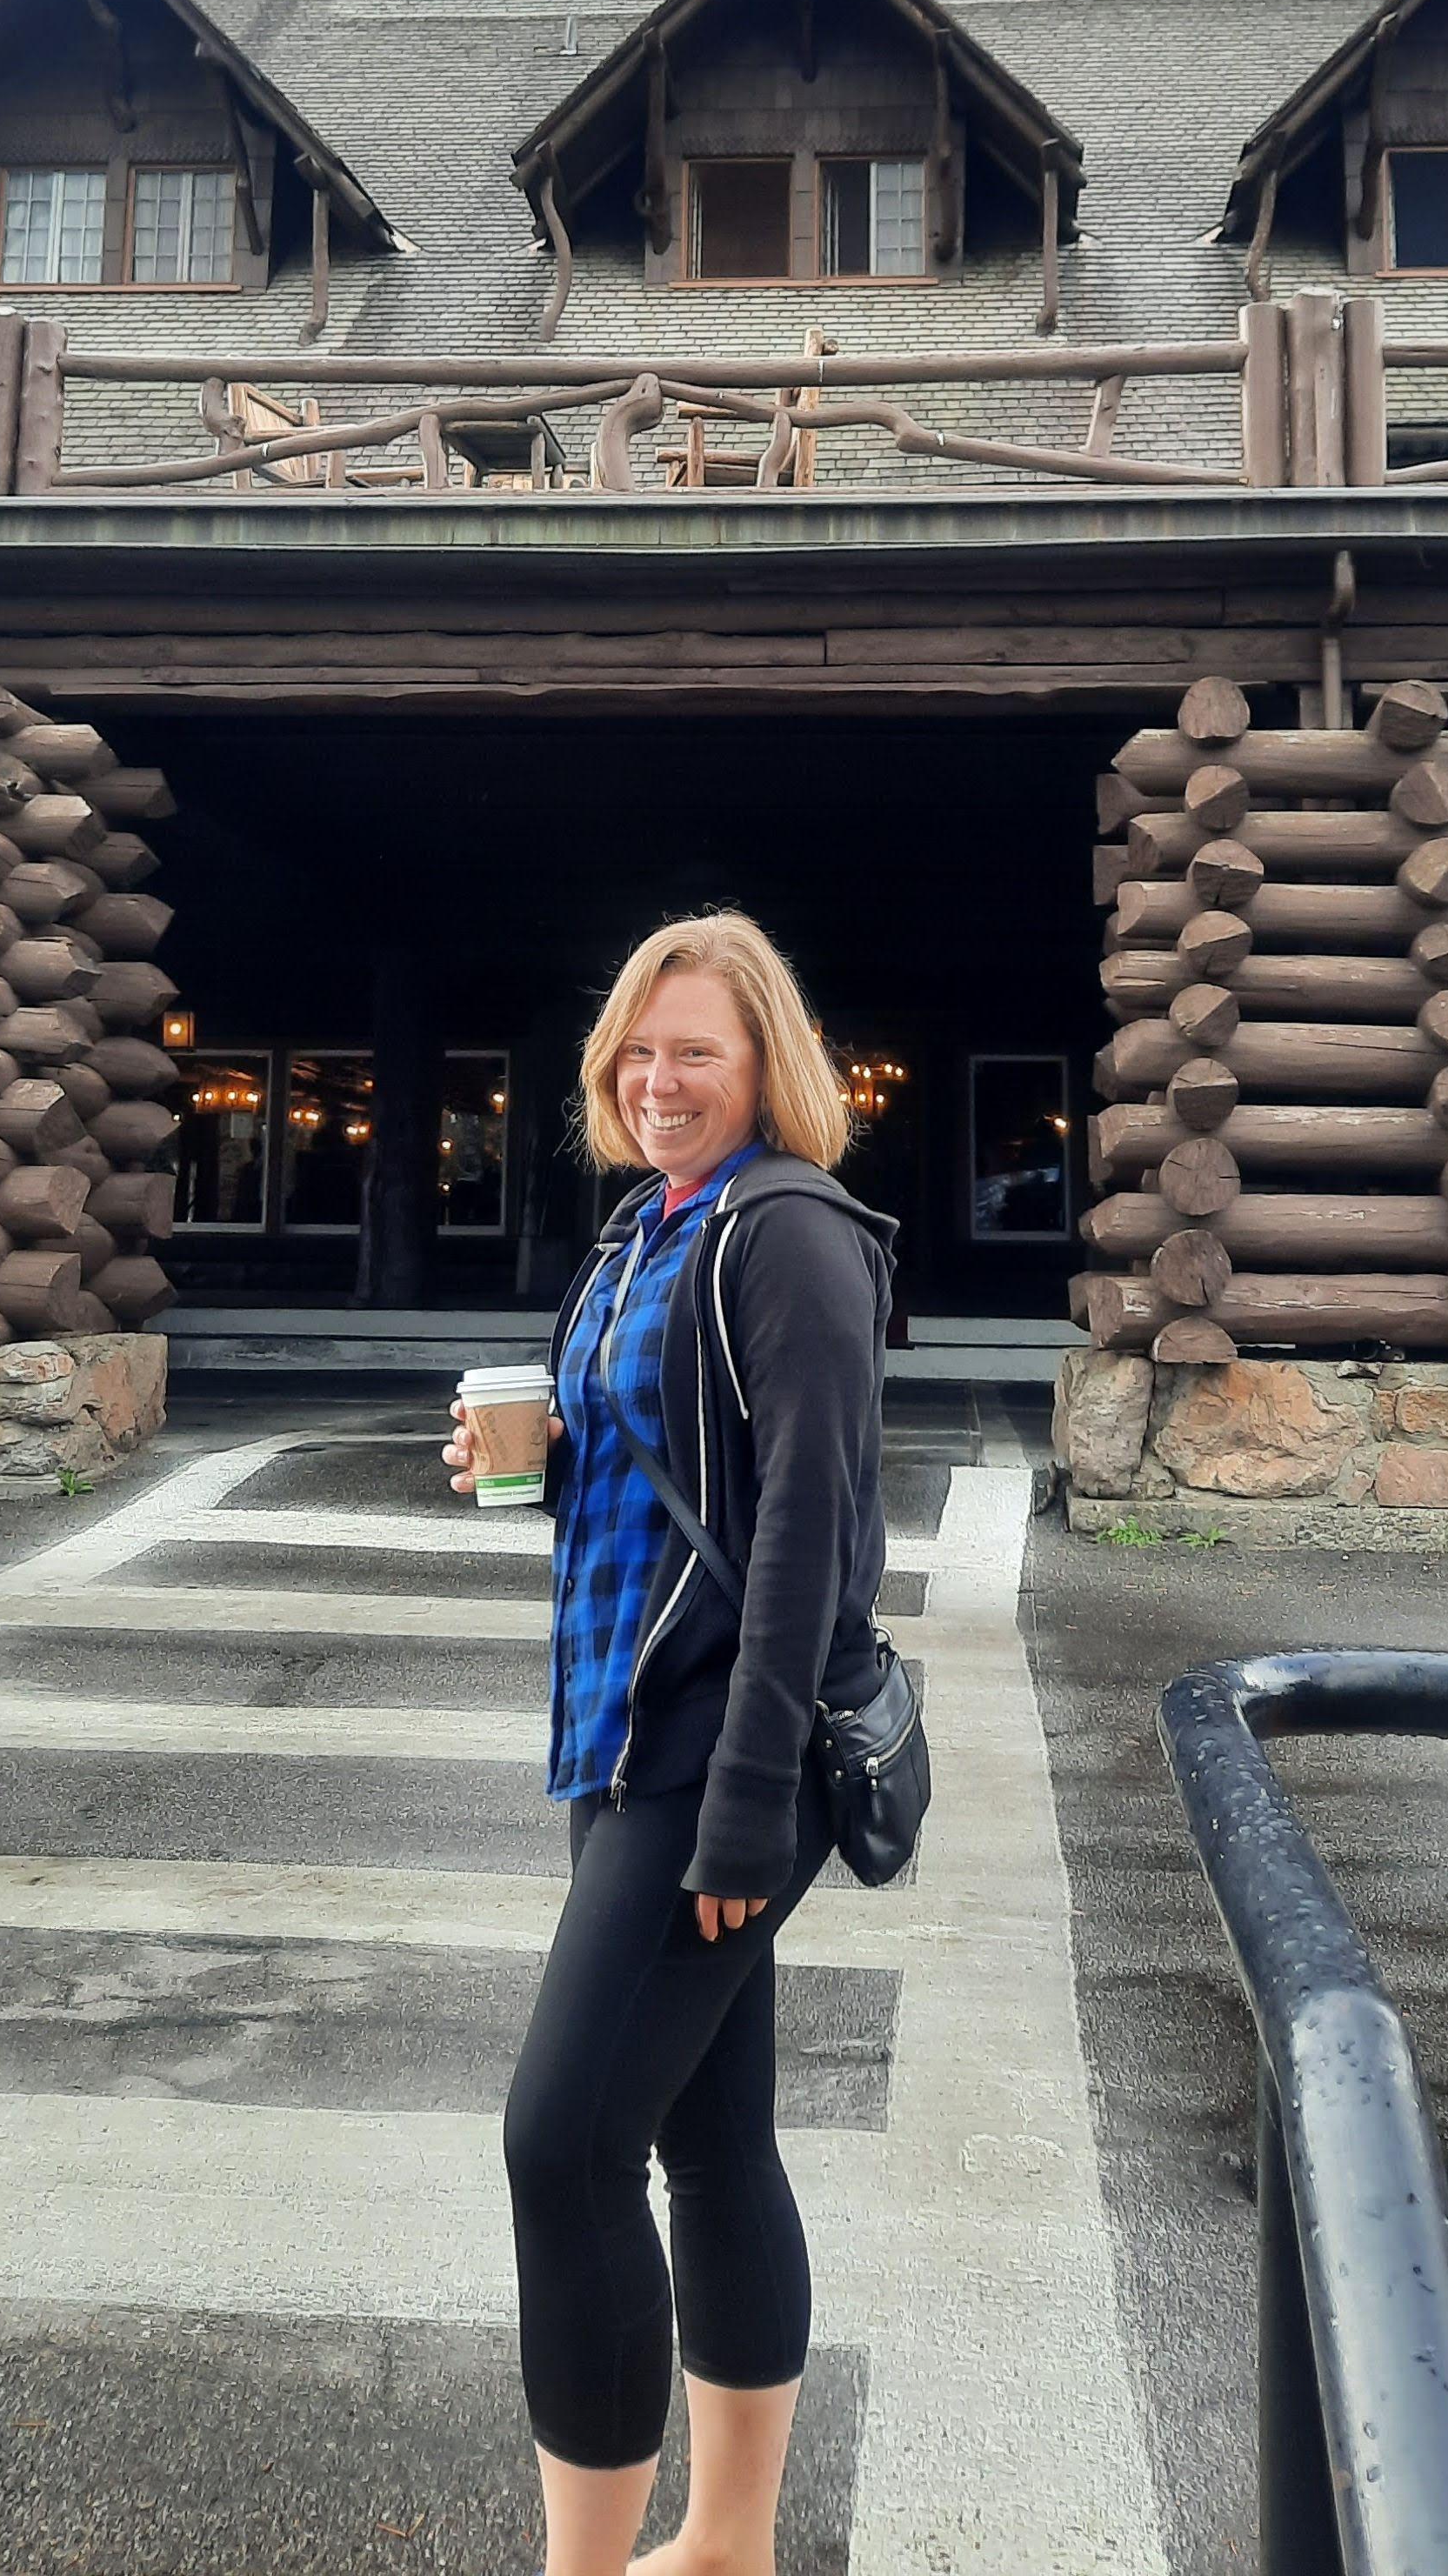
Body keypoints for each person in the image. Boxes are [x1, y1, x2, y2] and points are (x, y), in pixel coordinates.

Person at [444, 911, 897, 2576]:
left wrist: (751, 1809)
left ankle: (590, 2563)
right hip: (617, 1738)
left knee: (559, 2148)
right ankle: (725, 2548)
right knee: (713, 2146)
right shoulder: (647, 1230)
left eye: (693, 1050)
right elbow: (663, 1465)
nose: (657, 1079)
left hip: (713, 1761)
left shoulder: (790, 1234)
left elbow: (810, 1540)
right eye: (636, 1051)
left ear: (766, 1065)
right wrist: (535, 1460)